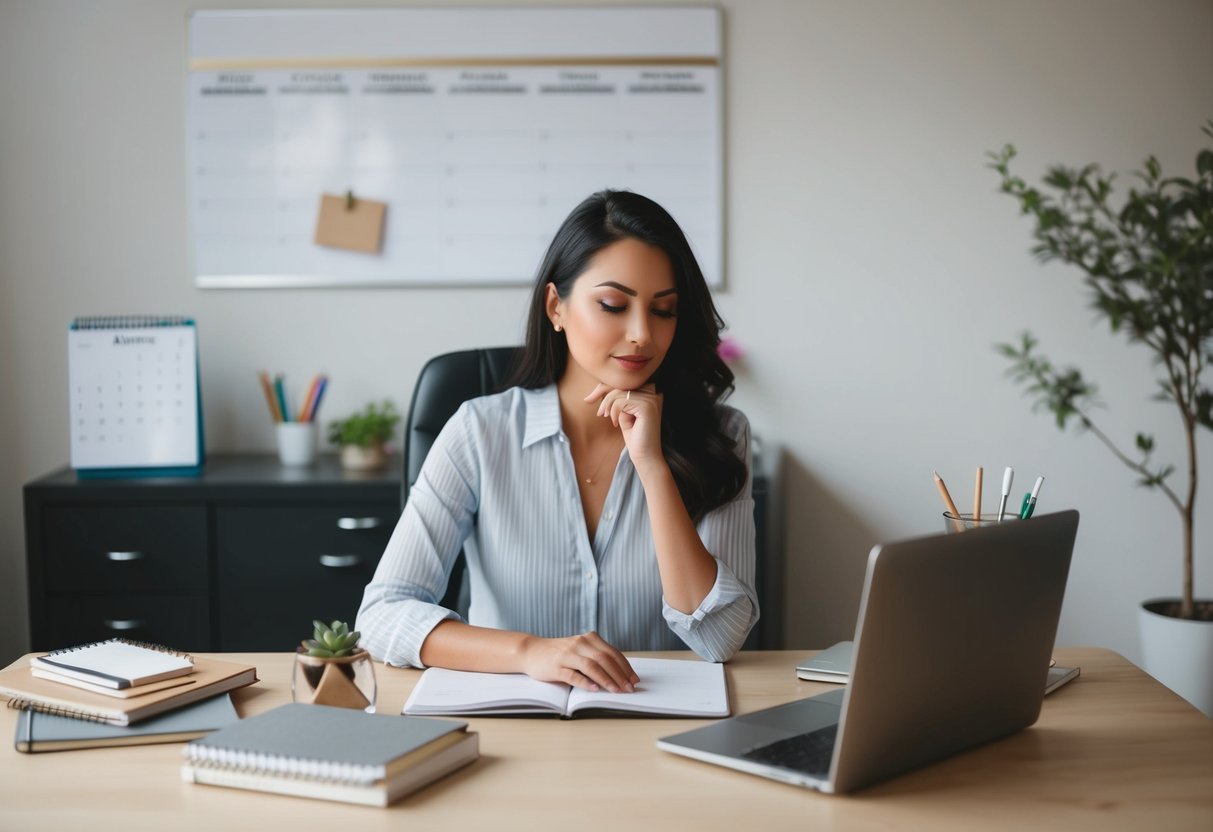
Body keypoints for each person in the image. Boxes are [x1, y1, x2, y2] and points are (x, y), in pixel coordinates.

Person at [356, 190, 757, 695]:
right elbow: (382, 615)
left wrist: (653, 467)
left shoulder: (722, 436)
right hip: (511, 728)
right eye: (613, 304)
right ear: (556, 306)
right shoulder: (479, 432)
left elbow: (720, 639)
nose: (641, 335)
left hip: (659, 732)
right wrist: (530, 652)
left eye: (664, 311)